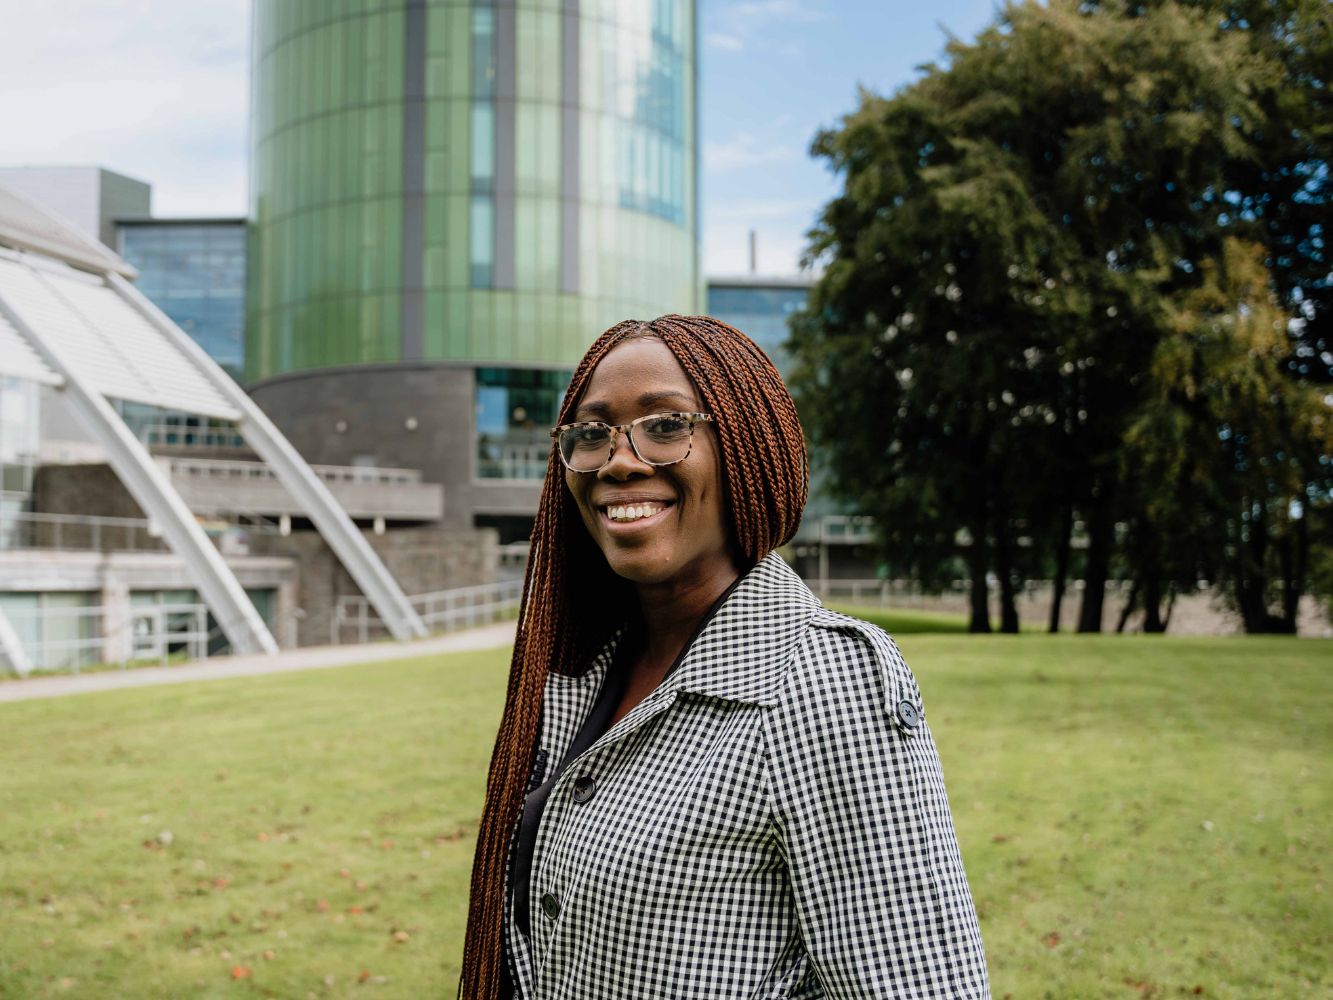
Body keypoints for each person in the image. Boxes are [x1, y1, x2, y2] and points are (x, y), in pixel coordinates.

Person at [460, 315, 989, 999]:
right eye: (591, 434)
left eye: (665, 425)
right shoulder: (579, 674)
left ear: (746, 448)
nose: (618, 461)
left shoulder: (825, 680)